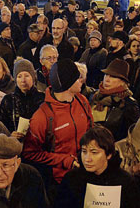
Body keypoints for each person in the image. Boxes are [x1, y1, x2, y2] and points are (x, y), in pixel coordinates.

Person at [23, 59, 93, 188]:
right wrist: (65, 160)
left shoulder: (82, 100)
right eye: (77, 78)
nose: (81, 80)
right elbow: (30, 153)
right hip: (60, 181)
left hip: (86, 173)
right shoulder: (42, 117)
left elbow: (91, 131)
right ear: (67, 84)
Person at [89, 58, 140, 141]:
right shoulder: (95, 96)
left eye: (113, 76)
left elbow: (132, 135)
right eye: (106, 75)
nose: (107, 79)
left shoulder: (129, 104)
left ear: (123, 82)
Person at [0, 59, 45, 138]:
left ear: (33, 77)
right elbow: (1, 126)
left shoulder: (42, 98)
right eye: (19, 76)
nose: (23, 80)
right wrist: (10, 134)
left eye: (27, 76)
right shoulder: (8, 100)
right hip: (16, 145)